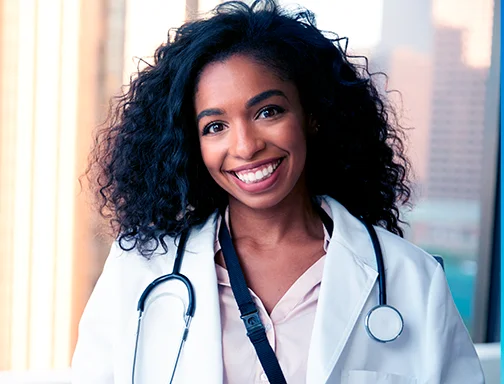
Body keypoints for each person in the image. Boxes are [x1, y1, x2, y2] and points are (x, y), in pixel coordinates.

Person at [71, 1, 484, 383]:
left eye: (268, 111)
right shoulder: (140, 271)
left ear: (312, 116)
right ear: (190, 144)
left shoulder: (411, 279)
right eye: (215, 126)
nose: (246, 146)